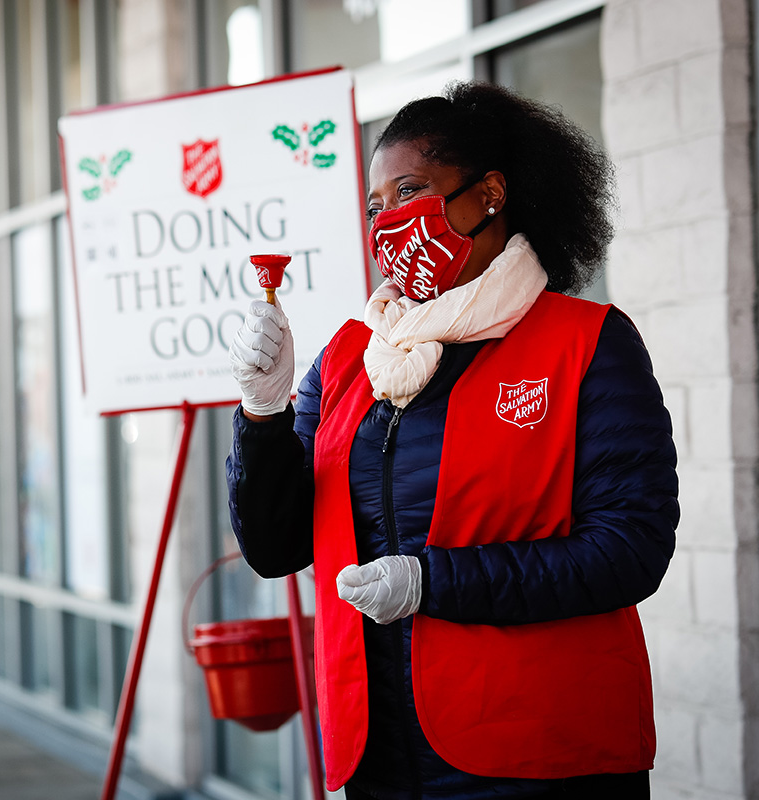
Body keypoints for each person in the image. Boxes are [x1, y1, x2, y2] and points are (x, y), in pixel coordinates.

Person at [226, 81, 679, 800]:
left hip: (540, 756)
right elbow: (276, 547)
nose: (388, 223)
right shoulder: (348, 358)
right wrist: (262, 415)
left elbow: (630, 550)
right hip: (380, 757)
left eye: (410, 192)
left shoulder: (585, 342)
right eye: (376, 207)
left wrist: (432, 583)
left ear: (489, 194)